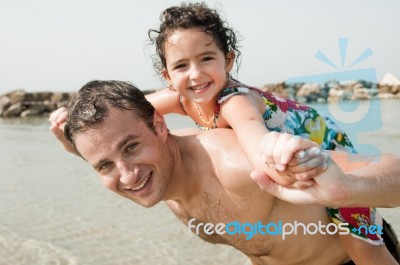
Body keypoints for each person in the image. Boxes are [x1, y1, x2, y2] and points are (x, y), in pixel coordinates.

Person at [145, 2, 391, 262]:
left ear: (227, 60)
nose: (195, 74)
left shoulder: (234, 102)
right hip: (302, 153)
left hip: (329, 154)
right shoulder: (182, 98)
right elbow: (128, 114)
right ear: (168, 75)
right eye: (181, 66)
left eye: (206, 58)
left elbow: (255, 141)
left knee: (364, 248)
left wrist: (278, 172)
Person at [62, 80, 398, 264]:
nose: (128, 175)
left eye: (131, 147)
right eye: (105, 165)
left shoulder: (239, 164)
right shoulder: (156, 176)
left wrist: (346, 187)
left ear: (159, 127)